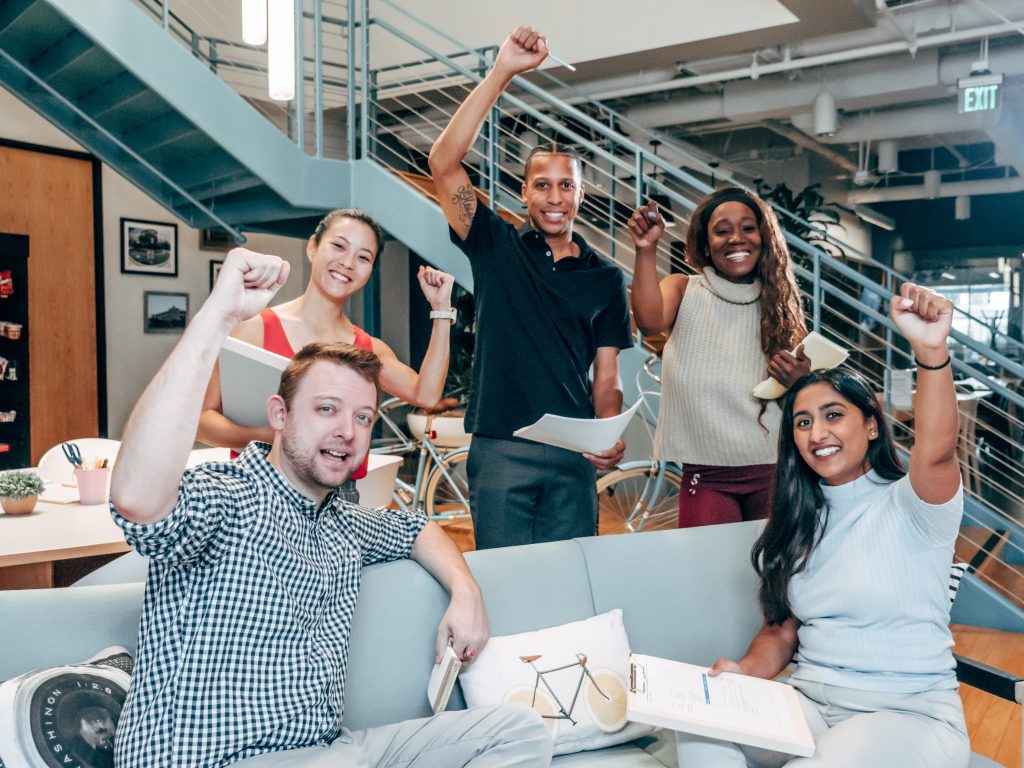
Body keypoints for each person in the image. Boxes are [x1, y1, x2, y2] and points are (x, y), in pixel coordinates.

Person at [109, 248, 552, 768]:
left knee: (518, 731)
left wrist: (466, 590)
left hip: (330, 750)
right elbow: (137, 499)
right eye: (326, 410)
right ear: (279, 414)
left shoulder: (343, 522)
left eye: (363, 418)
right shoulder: (227, 496)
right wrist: (218, 319)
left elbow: (415, 527)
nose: (347, 431)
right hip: (214, 758)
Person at [676, 283, 970, 767]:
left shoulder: (915, 504)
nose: (818, 434)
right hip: (811, 702)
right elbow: (780, 632)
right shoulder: (795, 521)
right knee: (700, 728)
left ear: (871, 424)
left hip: (907, 714)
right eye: (803, 422)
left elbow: (936, 448)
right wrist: (744, 672)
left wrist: (931, 351)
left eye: (834, 415)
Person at [428, 25, 634, 549]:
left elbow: (606, 378)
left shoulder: (606, 278)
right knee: (503, 587)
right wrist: (503, 72)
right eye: (542, 184)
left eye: (567, 185)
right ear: (524, 192)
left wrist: (606, 433)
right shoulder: (494, 245)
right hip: (502, 446)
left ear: (582, 195)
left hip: (572, 453)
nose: (554, 196)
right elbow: (443, 163)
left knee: (570, 584)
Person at [197, 208, 457, 503]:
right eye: (338, 246)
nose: (347, 263)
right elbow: (203, 421)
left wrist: (441, 311)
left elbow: (426, 394)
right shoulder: (254, 330)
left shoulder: (367, 348)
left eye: (363, 257)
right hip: (260, 492)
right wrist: (275, 436)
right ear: (312, 247)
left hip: (339, 497)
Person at [629, 187, 809, 528]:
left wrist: (800, 383)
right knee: (707, 577)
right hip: (706, 473)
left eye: (747, 228)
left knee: (773, 578)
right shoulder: (682, 289)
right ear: (706, 243)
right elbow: (649, 322)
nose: (736, 239)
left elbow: (803, 402)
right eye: (722, 231)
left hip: (773, 469)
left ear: (764, 236)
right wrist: (645, 249)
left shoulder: (781, 306)